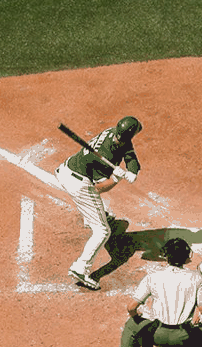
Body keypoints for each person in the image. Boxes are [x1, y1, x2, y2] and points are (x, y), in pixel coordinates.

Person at [57, 115, 142, 289]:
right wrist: (117, 178)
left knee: (101, 213)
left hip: (68, 169)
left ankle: (93, 216)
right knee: (103, 231)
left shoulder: (115, 132)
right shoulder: (105, 156)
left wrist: (132, 170)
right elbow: (99, 188)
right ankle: (81, 267)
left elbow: (128, 151)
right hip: (79, 183)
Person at [114, 237, 202, 347]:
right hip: (184, 337)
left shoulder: (152, 276)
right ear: (187, 257)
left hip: (155, 335)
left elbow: (131, 307)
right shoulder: (198, 278)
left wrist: (136, 317)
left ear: (166, 256)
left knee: (131, 325)